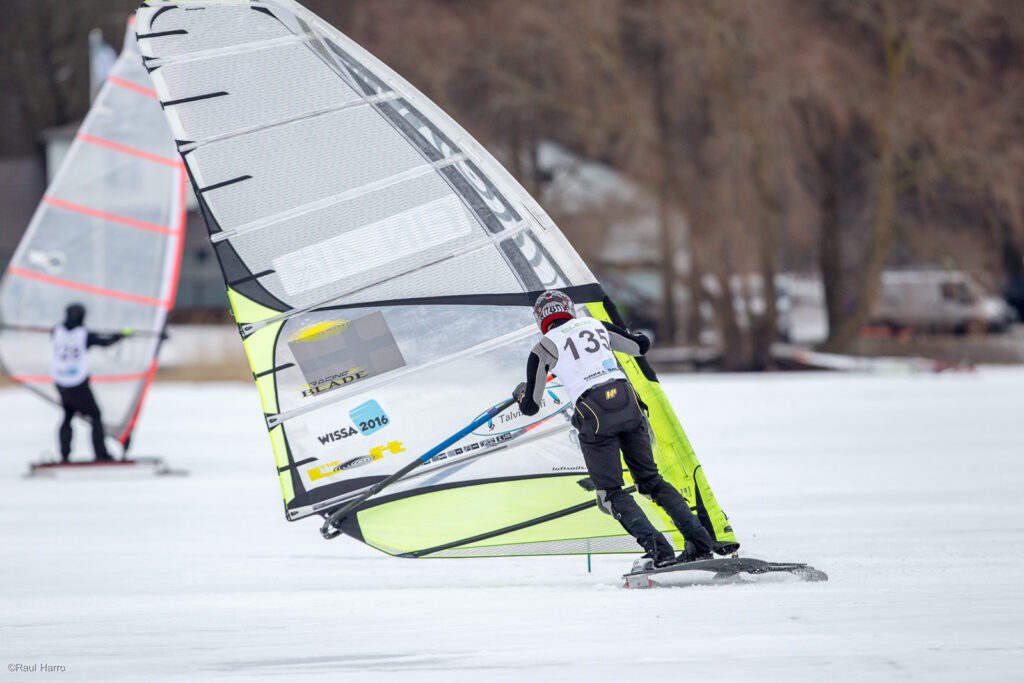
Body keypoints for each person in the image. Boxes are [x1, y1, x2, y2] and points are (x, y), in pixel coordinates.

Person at [514, 290, 714, 568]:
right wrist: (628, 331)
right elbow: (640, 346)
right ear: (569, 309)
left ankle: (661, 553)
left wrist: (521, 395)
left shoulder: (542, 348)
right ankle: (701, 545)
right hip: (628, 402)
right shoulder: (595, 325)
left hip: (594, 413)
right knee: (651, 481)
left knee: (609, 495)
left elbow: (531, 407)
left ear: (540, 320)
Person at [51, 303, 131, 462]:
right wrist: (121, 335)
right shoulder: (84, 334)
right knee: (95, 415)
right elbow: (105, 342)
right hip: (77, 382)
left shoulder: (56, 332)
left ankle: (64, 454)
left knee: (68, 415)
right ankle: (101, 454)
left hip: (60, 382)